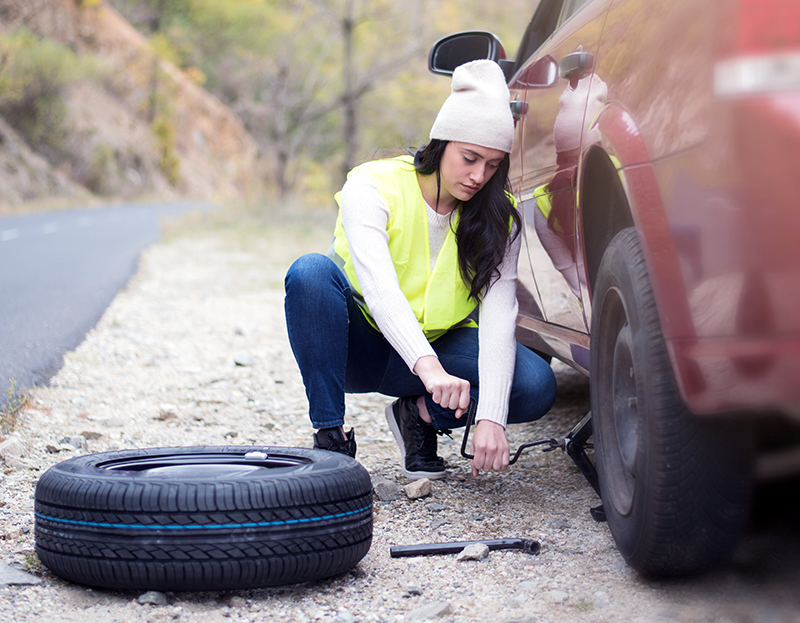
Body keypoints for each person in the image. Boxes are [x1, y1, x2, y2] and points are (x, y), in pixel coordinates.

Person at [284, 60, 557, 479]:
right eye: (469, 158)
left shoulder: (497, 219)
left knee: (535, 385)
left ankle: (420, 417)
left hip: (441, 351)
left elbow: (501, 315)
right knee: (310, 273)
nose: (478, 176)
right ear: (442, 142)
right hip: (361, 346)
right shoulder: (372, 185)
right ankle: (331, 438)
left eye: (492, 165)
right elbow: (379, 289)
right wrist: (428, 369)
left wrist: (491, 418)